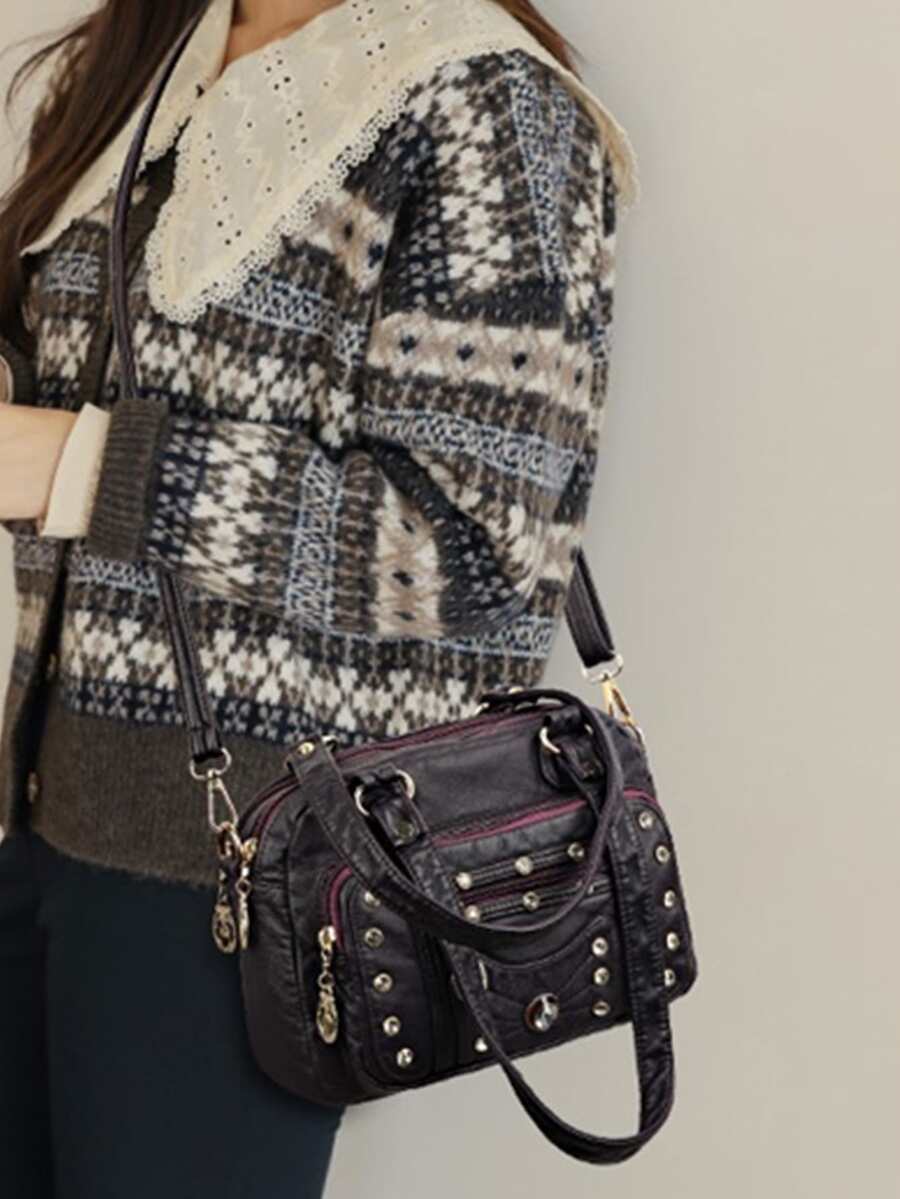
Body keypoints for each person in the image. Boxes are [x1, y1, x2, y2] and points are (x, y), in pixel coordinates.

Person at [0, 0, 638, 1194]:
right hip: (42, 824)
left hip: (255, 876)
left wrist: (88, 467)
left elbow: (475, 548)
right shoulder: (138, 62)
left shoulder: (484, 103)